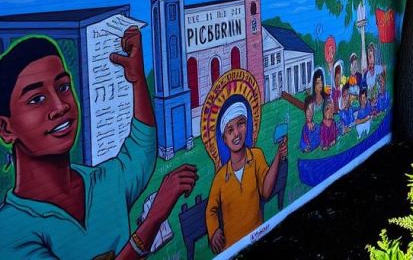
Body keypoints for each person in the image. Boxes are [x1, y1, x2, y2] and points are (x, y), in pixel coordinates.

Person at [0, 30, 197, 259]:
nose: (60, 106)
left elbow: (141, 149)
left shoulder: (103, 182)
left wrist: (137, 80)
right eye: (36, 99)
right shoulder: (10, 229)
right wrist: (153, 219)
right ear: (6, 129)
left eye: (63, 87)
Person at [205, 98, 288, 253]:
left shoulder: (256, 156)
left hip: (258, 237)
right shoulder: (220, 177)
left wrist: (278, 156)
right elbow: (210, 209)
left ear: (247, 126)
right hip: (232, 248)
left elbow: (266, 191)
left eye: (240, 124)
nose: (236, 133)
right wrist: (214, 231)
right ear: (224, 139)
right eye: (230, 130)